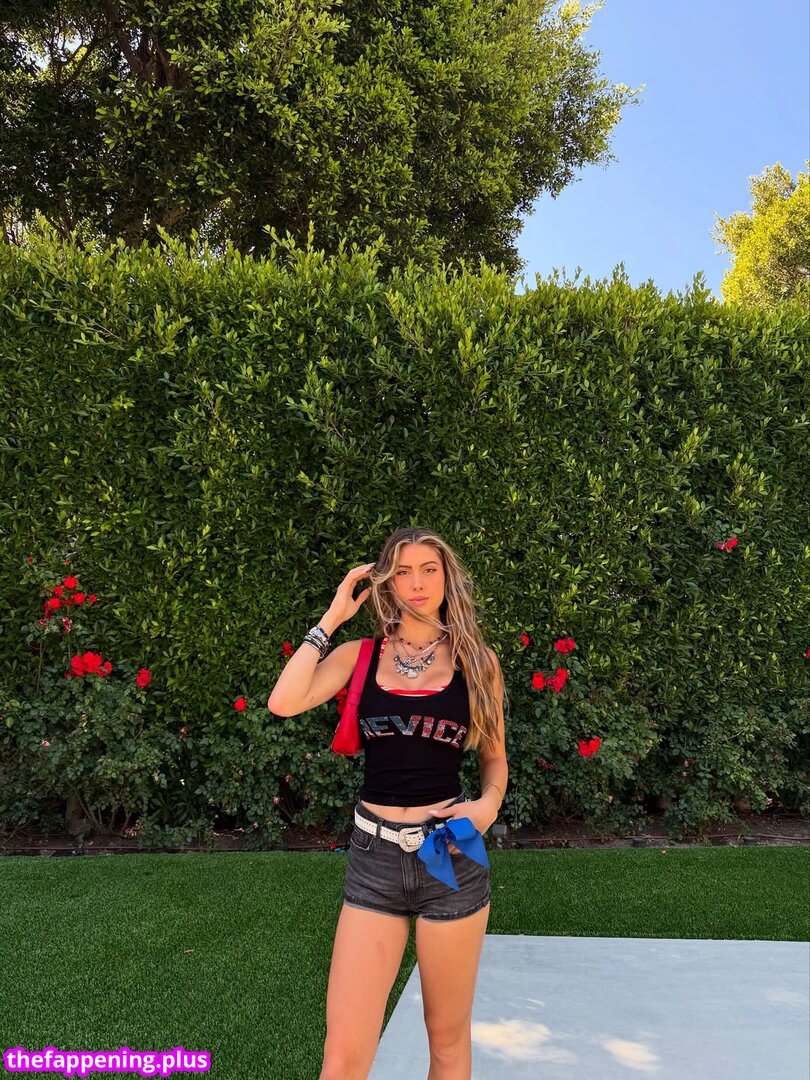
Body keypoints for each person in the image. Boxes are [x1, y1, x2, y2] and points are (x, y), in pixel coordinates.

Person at [268, 525, 509, 1080]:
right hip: (374, 856)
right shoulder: (360, 655)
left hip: (450, 851)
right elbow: (284, 701)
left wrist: (487, 807)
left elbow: (494, 759)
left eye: (429, 569)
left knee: (446, 1040)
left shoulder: (477, 661)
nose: (417, 583)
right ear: (386, 582)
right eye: (402, 571)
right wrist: (332, 618)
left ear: (447, 579)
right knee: (343, 1057)